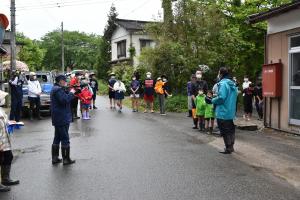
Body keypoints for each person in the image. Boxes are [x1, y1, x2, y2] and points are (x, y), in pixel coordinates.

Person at [50, 75, 76, 165]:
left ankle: (55, 158)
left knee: (57, 137)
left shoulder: (56, 88)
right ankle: (66, 159)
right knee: (65, 138)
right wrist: (72, 93)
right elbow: (64, 100)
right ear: (60, 81)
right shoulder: (58, 90)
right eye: (64, 81)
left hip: (58, 117)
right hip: (61, 117)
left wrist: (69, 91)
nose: (66, 82)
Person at [212, 67, 238, 154]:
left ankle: (228, 148)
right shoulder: (233, 84)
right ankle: (231, 146)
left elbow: (221, 98)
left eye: (219, 73)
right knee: (230, 129)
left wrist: (212, 100)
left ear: (221, 74)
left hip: (222, 112)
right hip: (230, 112)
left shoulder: (223, 84)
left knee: (224, 131)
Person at [0, 90, 20, 192]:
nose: (4, 100)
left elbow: (4, 121)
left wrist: (10, 122)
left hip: (5, 139)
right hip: (1, 142)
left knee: (8, 157)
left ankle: (5, 178)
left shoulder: (1, 110)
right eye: (2, 98)